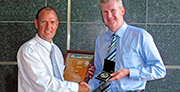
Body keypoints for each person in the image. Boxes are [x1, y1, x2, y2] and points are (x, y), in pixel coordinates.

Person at [88, 0, 166, 91]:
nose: (109, 16)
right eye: (105, 12)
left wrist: (129, 72)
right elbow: (100, 72)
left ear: (122, 11)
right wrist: (86, 88)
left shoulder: (140, 36)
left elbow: (159, 70)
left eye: (113, 10)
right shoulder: (101, 40)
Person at [17, 6, 93, 92]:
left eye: (52, 22)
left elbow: (62, 77)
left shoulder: (56, 50)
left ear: (57, 24)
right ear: (36, 24)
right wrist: (76, 88)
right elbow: (43, 85)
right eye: (44, 22)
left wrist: (81, 74)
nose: (48, 27)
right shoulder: (28, 50)